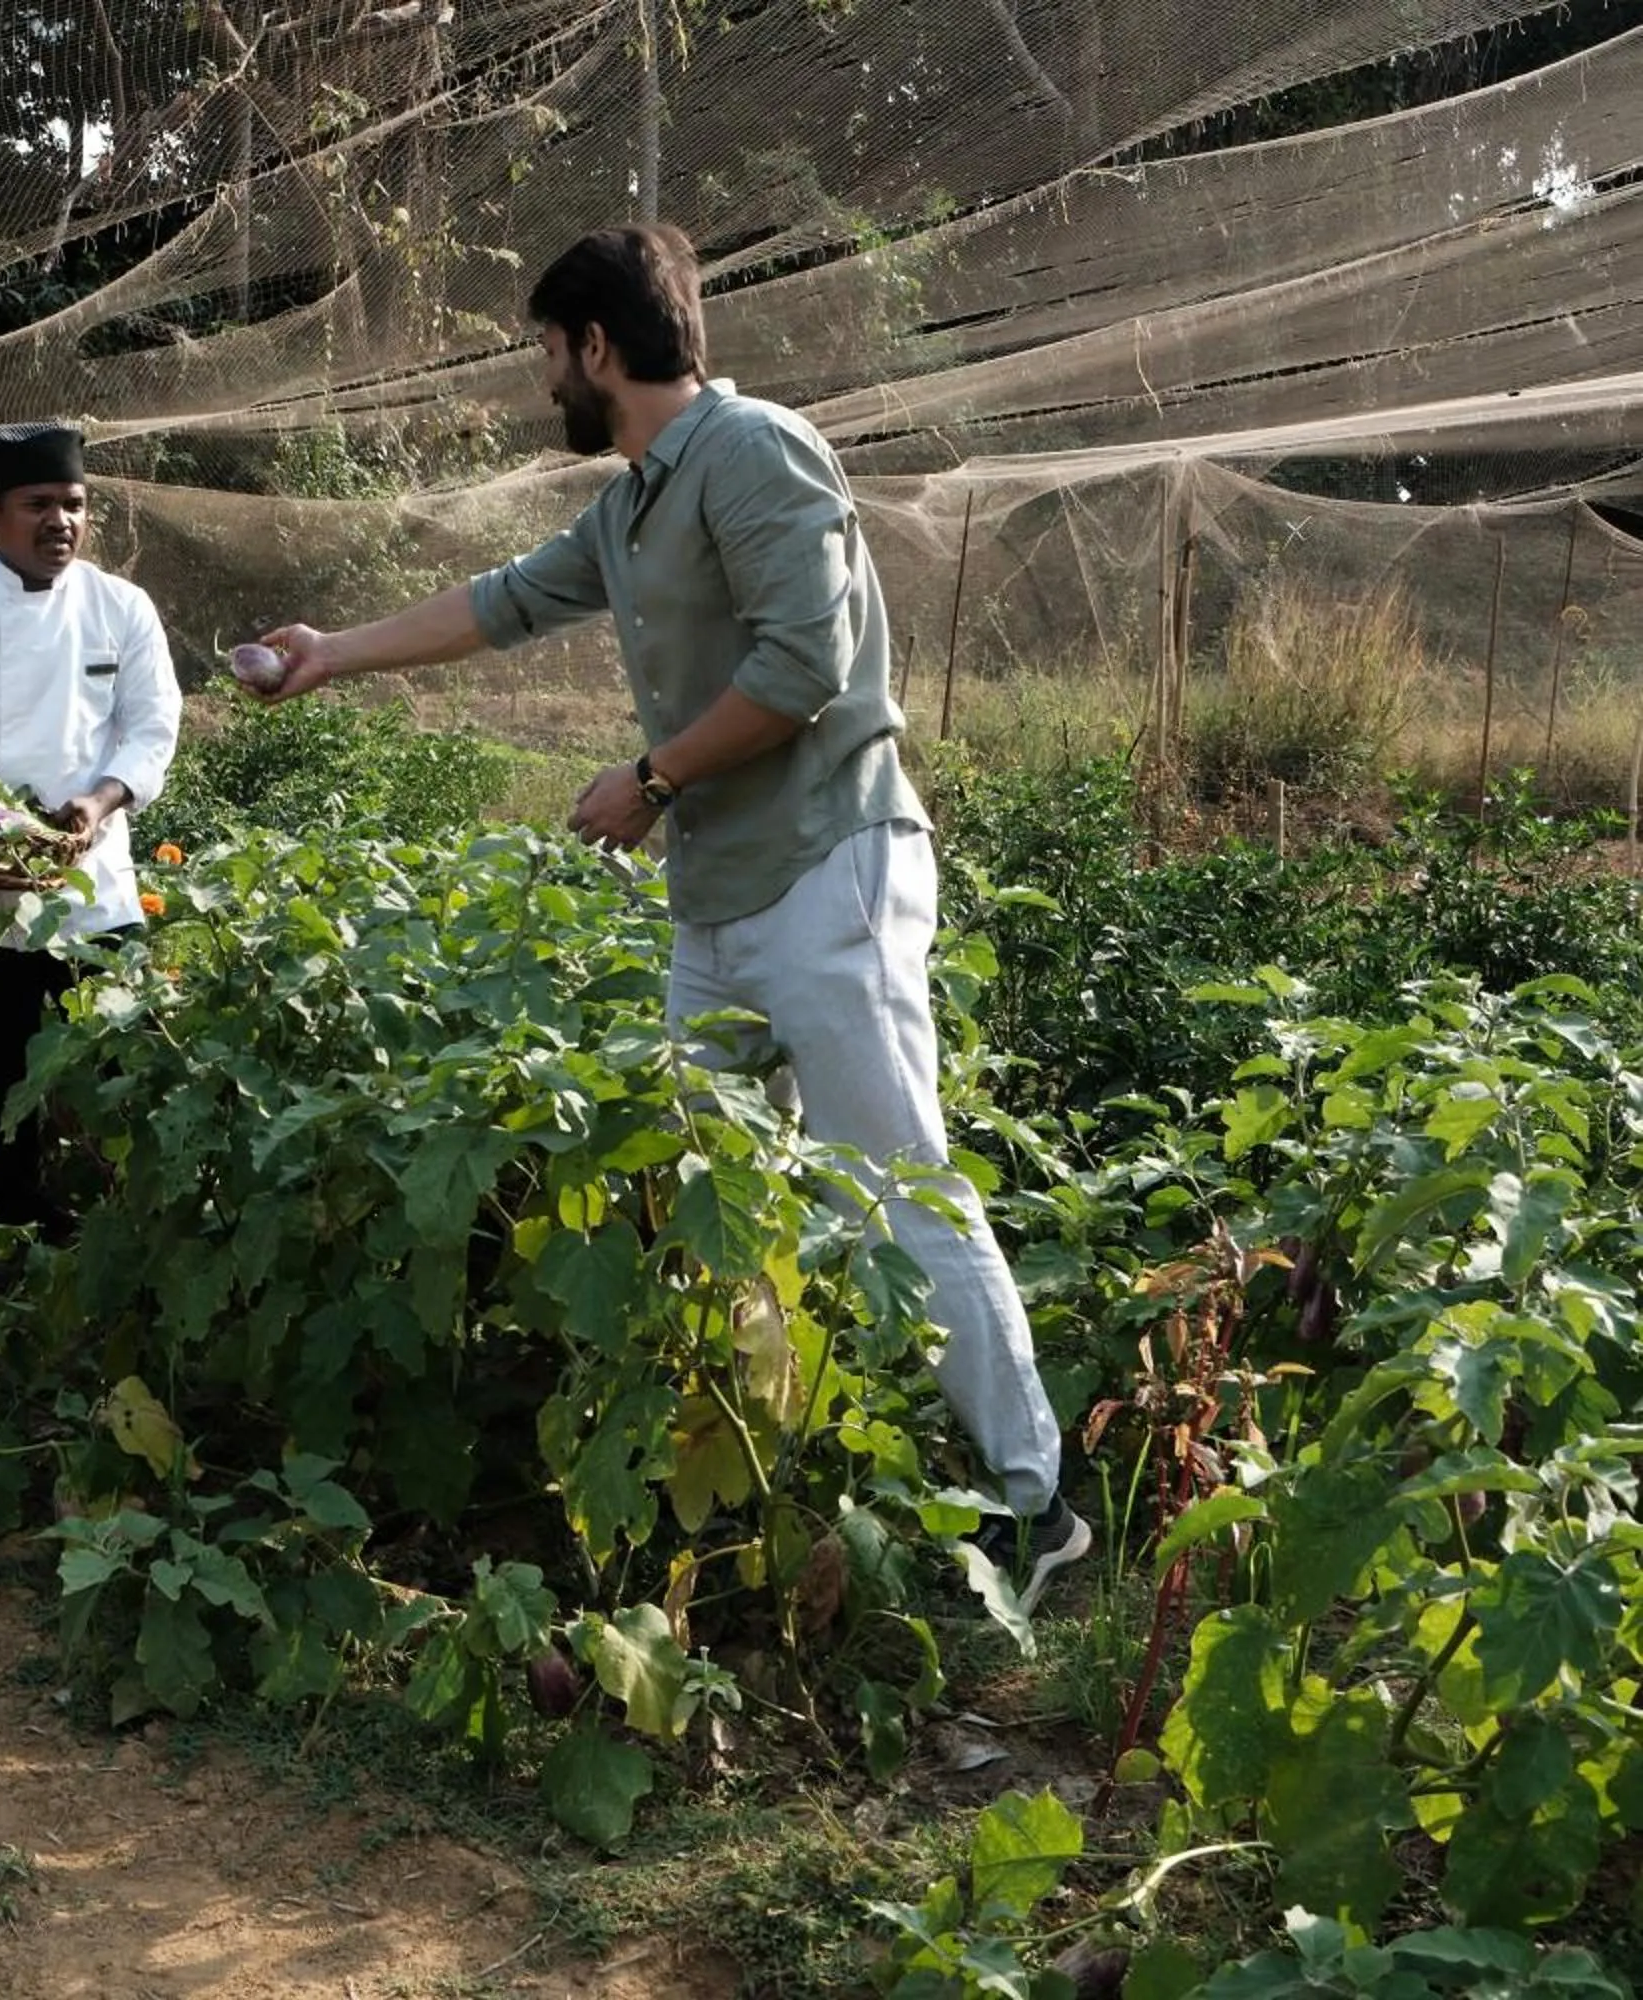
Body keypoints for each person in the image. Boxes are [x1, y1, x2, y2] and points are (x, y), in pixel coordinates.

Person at [247, 224, 1088, 1612]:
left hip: (826, 872)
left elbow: (806, 666)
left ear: (597, 345)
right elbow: (507, 601)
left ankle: (1035, 1500)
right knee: (692, 1185)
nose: (545, 385)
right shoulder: (638, 500)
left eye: (547, 353)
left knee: (898, 1186)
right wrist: (329, 654)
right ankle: (749, 1479)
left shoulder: (754, 452)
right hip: (718, 904)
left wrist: (650, 780)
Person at [0, 421, 182, 1234]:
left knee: (120, 1055)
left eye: (74, 504)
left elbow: (153, 726)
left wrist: (101, 801)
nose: (61, 521)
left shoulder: (122, 608)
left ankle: (126, 1220)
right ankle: (17, 1227)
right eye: (38, 504)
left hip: (92, 880)